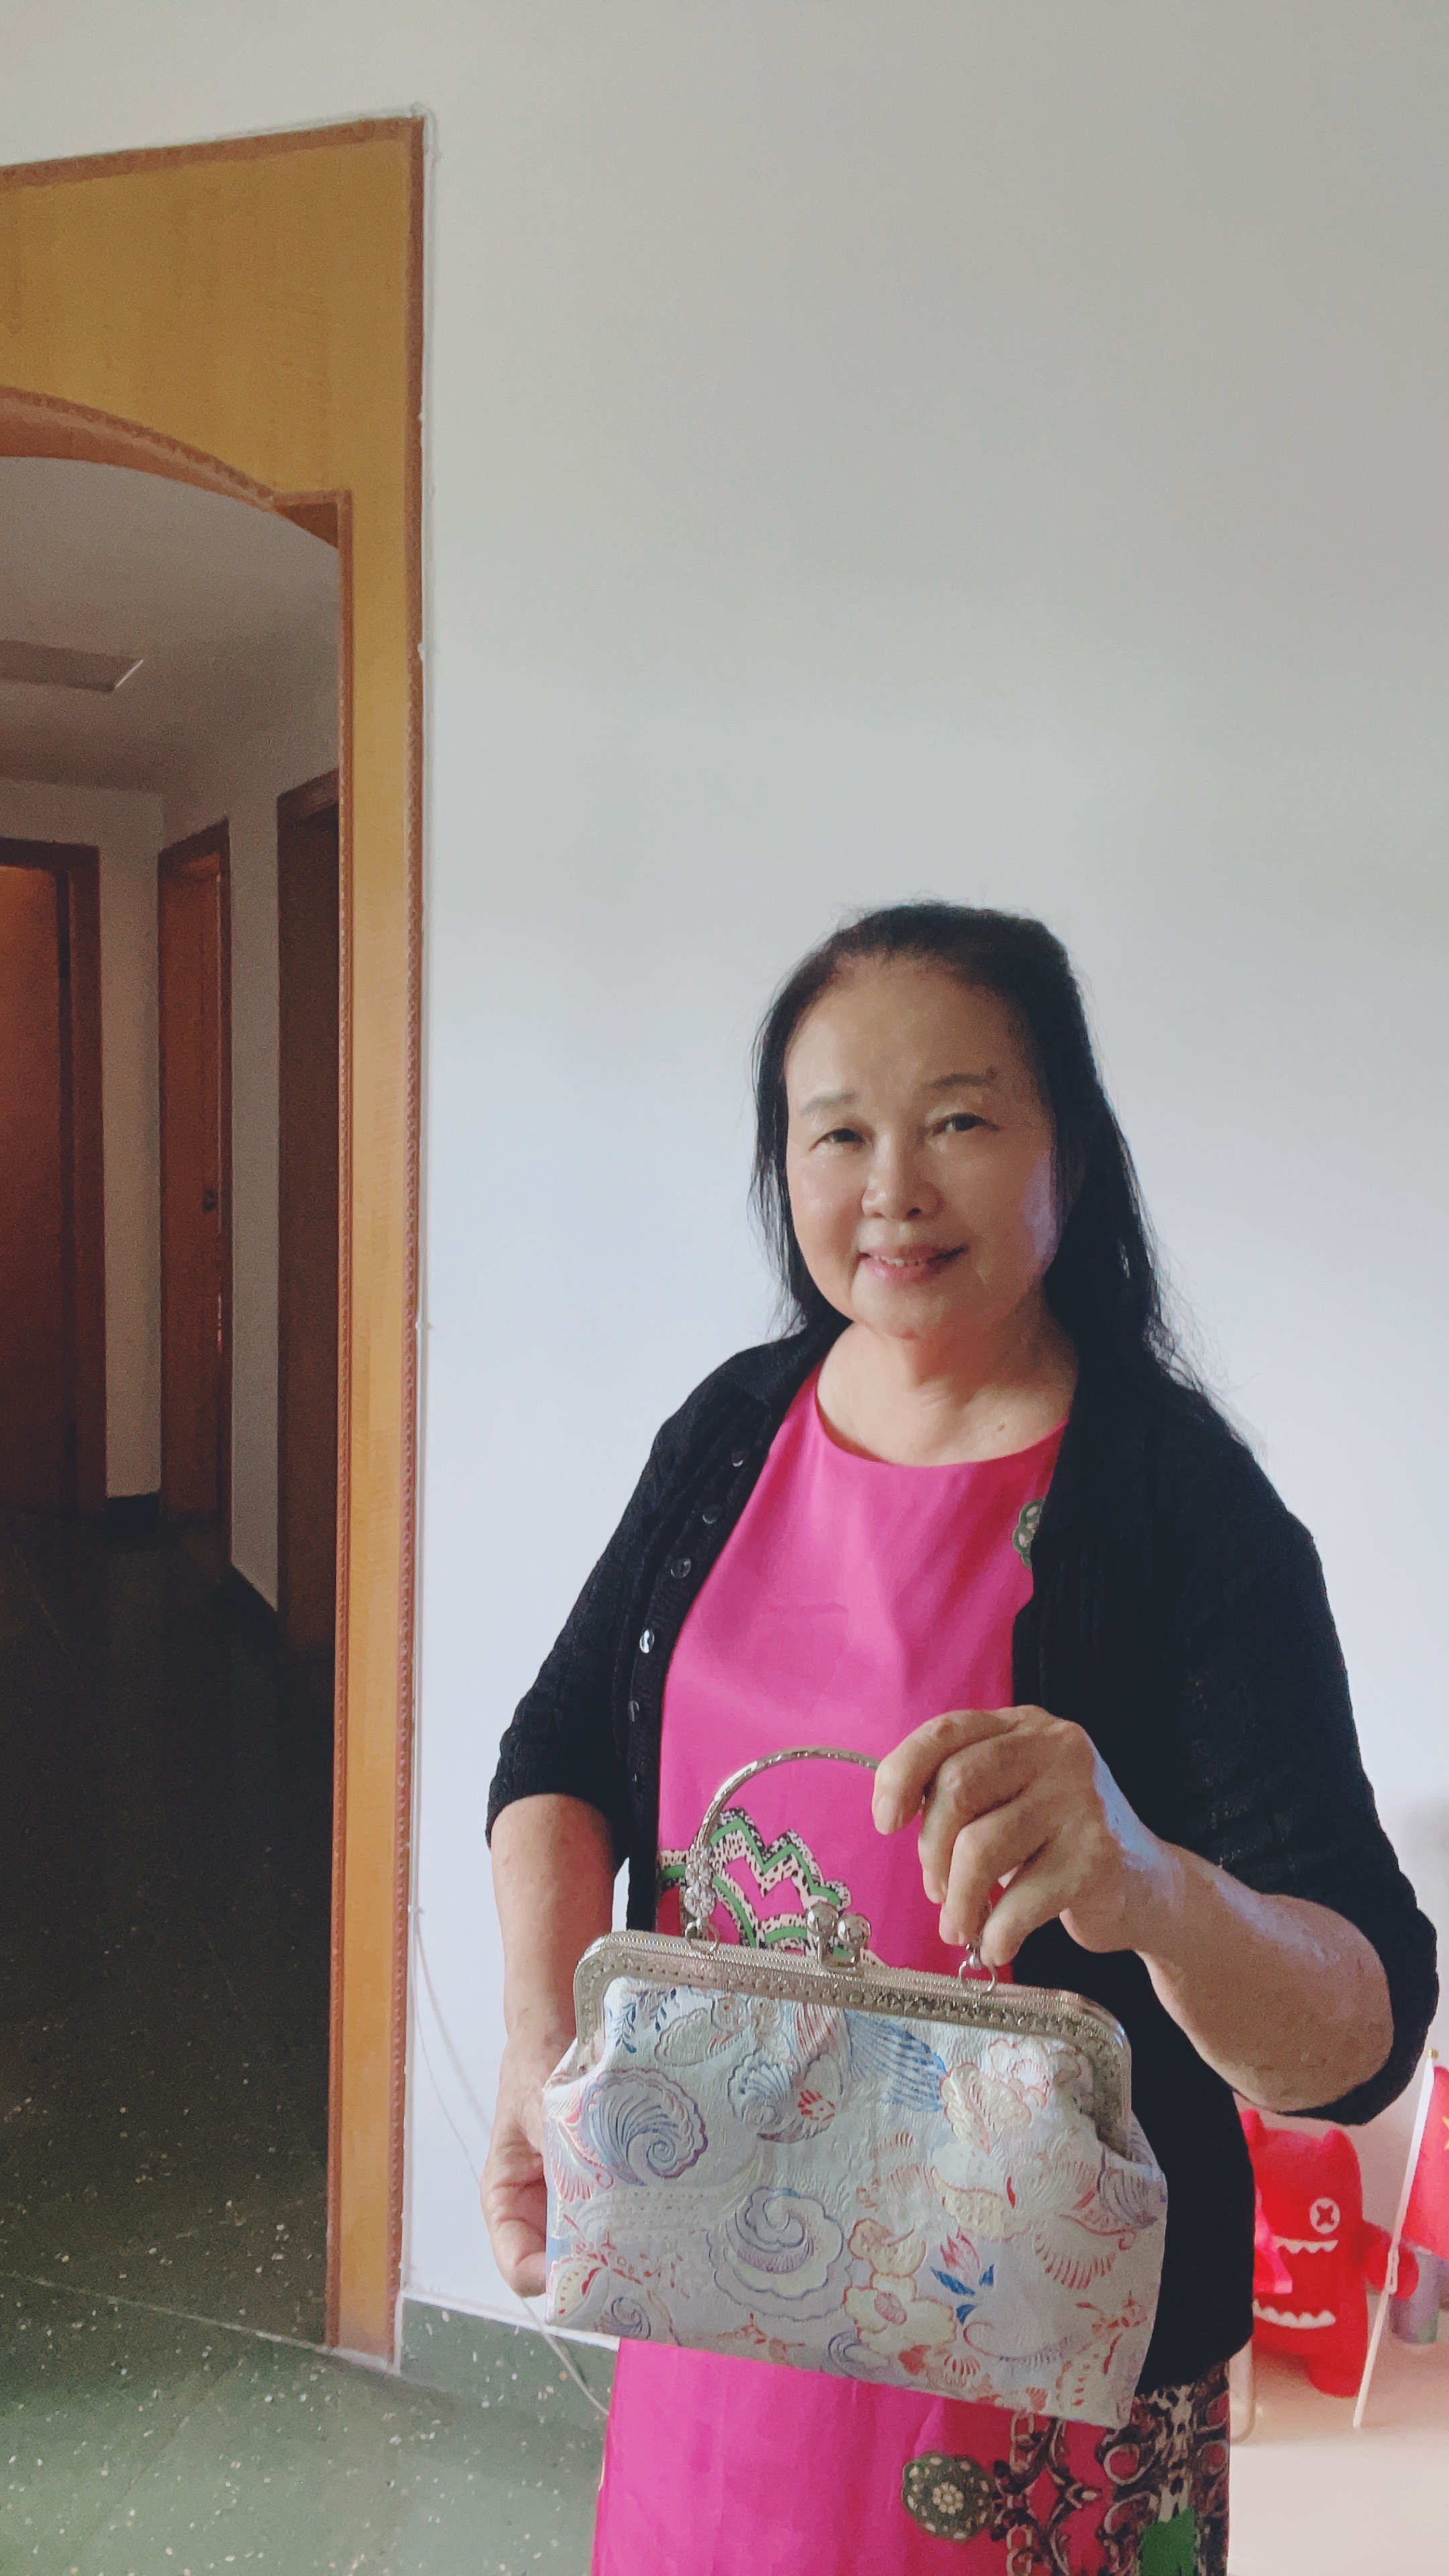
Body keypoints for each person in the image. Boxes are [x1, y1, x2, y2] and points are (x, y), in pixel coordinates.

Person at [484, 902, 1437, 2575]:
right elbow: (557, 1751)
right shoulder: (729, 1433)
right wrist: (540, 2042)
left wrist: (1151, 1887)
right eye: (836, 1133)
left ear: (1070, 1144)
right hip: (713, 2325)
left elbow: (1365, 2033)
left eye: (960, 1122)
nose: (893, 1189)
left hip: (1046, 2416)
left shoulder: (1185, 1514)